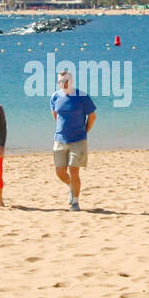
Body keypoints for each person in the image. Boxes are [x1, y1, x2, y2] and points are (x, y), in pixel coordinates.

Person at [50, 69, 96, 211]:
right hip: (60, 139)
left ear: (71, 80)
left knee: (74, 170)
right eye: (60, 81)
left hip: (78, 139)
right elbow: (56, 115)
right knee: (60, 172)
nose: (63, 84)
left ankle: (75, 201)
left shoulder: (82, 96)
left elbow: (92, 116)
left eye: (65, 81)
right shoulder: (55, 97)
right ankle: (71, 186)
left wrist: (85, 131)